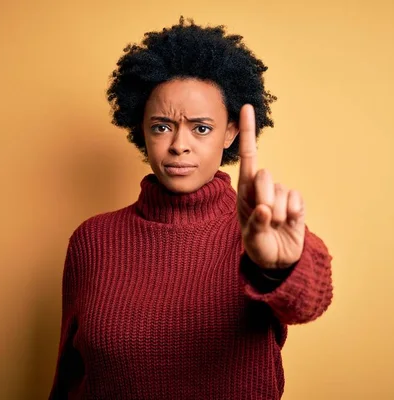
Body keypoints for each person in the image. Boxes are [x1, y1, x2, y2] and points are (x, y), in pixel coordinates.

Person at [49, 17, 333, 399]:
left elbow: (310, 302)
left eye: (201, 128)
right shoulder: (92, 240)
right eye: (162, 126)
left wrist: (276, 268)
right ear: (142, 130)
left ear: (230, 131)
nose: (179, 145)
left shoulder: (259, 231)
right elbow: (69, 377)